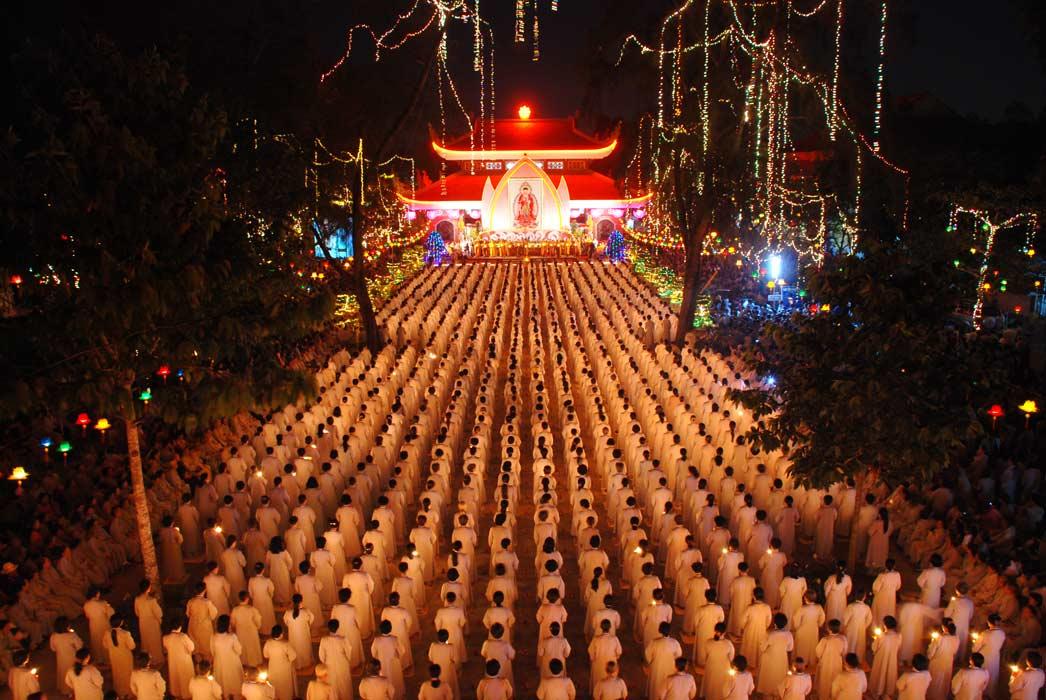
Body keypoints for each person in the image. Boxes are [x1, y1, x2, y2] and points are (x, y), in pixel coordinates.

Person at [757, 613, 793, 696]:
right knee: (779, 675)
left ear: (775, 623)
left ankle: (767, 691)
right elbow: (790, 648)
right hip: (782, 658)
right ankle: (779, 692)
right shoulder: (789, 634)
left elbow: (762, 648)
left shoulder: (770, 634)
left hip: (769, 658)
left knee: (769, 675)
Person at [972, 614, 1006, 700]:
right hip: (995, 657)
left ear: (989, 622)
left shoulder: (985, 634)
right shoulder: (1002, 633)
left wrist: (974, 643)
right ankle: (990, 694)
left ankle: (981, 693)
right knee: (992, 674)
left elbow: (976, 648)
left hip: (984, 656)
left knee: (982, 674)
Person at [211, 614, 245, 699]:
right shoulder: (232, 637)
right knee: (234, 680)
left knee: (222, 680)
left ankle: (225, 696)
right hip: (232, 662)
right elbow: (239, 650)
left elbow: (212, 651)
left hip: (219, 662)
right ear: (227, 625)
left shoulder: (213, 637)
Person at [164, 616, 197, 699]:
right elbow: (192, 647)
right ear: (180, 626)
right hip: (184, 661)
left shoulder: (166, 638)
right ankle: (187, 694)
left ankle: (176, 692)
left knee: (175, 676)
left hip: (173, 661)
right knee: (185, 677)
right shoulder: (183, 637)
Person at [869, 616, 902, 699]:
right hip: (892, 659)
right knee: (889, 673)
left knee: (880, 673)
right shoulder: (898, 636)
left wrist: (875, 639)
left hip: (881, 659)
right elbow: (898, 647)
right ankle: (887, 693)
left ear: (885, 625)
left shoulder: (882, 636)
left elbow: (874, 647)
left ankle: (878, 691)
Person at [50, 615, 84, 695]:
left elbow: (53, 648)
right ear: (67, 626)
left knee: (63, 672)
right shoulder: (72, 636)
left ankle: (64, 689)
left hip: (61, 659)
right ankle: (72, 690)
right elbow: (80, 647)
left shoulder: (53, 636)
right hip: (72, 659)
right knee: (72, 673)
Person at [926, 621, 960, 700]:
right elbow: (955, 652)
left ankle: (933, 697)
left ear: (944, 628)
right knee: (944, 681)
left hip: (937, 663)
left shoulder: (940, 638)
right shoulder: (956, 638)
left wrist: (931, 644)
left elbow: (931, 652)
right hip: (948, 662)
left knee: (935, 681)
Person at [816, 620, 848, 700]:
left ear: (829, 629)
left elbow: (818, 653)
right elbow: (844, 652)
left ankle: (824, 697)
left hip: (826, 663)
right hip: (837, 662)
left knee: (825, 680)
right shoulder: (843, 639)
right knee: (835, 680)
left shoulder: (825, 640)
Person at [104, 614, 136, 696]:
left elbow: (105, 645)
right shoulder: (125, 633)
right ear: (121, 622)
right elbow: (132, 646)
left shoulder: (107, 633)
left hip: (113, 656)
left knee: (117, 673)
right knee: (127, 674)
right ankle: (128, 692)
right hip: (125, 657)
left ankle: (118, 690)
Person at [262, 625, 297, 700]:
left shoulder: (268, 642)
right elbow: (293, 656)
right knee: (285, 684)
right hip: (284, 667)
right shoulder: (285, 644)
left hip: (273, 666)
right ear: (281, 634)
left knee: (274, 683)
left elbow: (265, 655)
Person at [134, 580, 164, 663]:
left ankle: (147, 659)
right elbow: (159, 613)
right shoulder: (151, 600)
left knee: (145, 640)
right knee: (154, 640)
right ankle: (156, 658)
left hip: (142, 622)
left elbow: (137, 612)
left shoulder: (137, 599)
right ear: (148, 588)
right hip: (152, 623)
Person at [704, 623, 736, 700]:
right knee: (721, 686)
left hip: (711, 667)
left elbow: (706, 655)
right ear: (724, 632)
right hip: (723, 669)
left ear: (714, 630)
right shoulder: (728, 644)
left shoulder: (708, 642)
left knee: (711, 684)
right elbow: (731, 658)